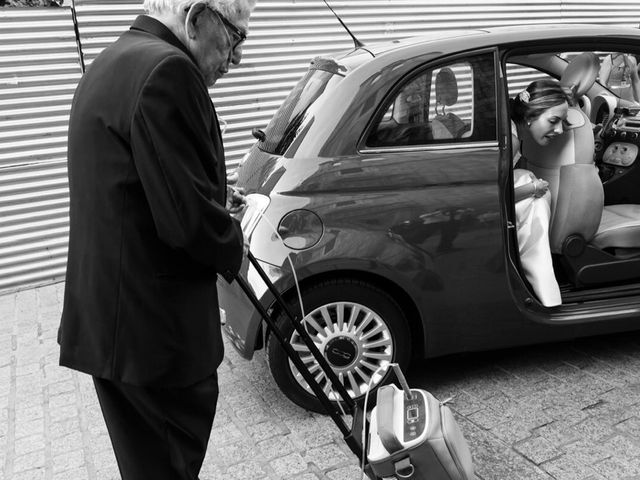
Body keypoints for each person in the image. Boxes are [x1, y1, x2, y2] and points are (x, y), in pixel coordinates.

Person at [57, 1, 256, 478]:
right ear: (196, 17)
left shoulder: (114, 60)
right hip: (153, 338)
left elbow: (135, 184)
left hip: (114, 327)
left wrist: (210, 195)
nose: (237, 58)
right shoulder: (170, 70)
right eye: (235, 37)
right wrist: (235, 245)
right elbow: (186, 223)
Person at [510, 79, 573, 307]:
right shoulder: (513, 142)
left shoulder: (511, 131)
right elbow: (497, 198)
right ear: (530, 116)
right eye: (553, 121)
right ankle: (546, 294)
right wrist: (534, 189)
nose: (559, 130)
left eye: (564, 122)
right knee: (537, 197)